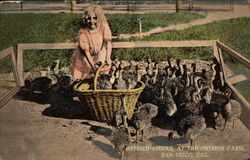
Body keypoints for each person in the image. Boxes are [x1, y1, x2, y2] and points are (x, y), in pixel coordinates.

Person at [70, 5, 112, 80]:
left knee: (101, 73)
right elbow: (87, 52)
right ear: (85, 19)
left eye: (94, 18)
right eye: (89, 19)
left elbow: (108, 43)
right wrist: (92, 66)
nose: (92, 21)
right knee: (86, 76)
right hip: (85, 57)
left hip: (99, 52)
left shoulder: (103, 27)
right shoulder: (83, 32)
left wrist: (108, 57)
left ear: (99, 18)